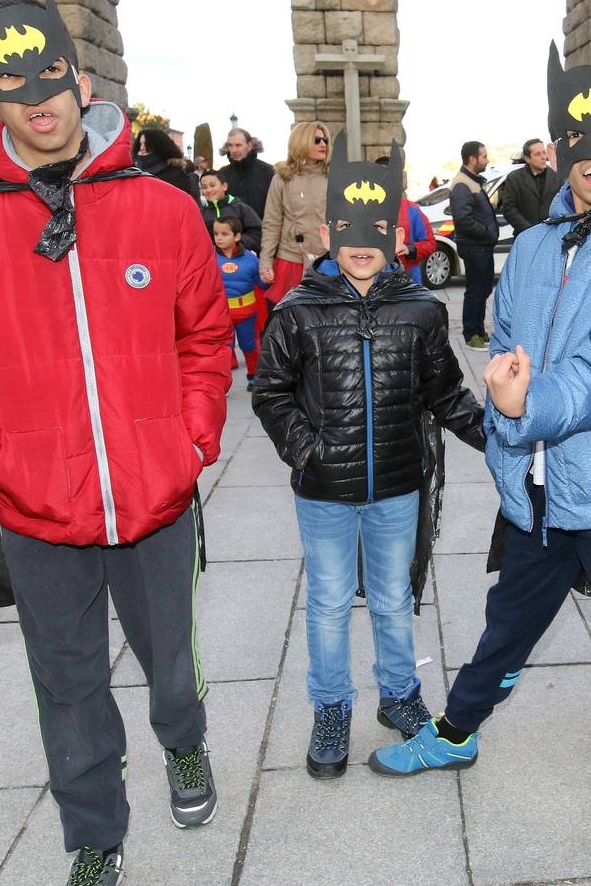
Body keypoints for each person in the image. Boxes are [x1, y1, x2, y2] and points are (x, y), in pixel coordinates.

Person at [0, 0, 232, 884]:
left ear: (81, 81)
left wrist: (191, 437)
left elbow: (203, 337)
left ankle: (184, 743)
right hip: (37, 507)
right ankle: (94, 833)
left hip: (156, 494)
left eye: (51, 75)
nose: (37, 98)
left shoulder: (161, 206)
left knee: (172, 663)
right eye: (11, 81)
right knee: (68, 683)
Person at [368, 36, 591, 840]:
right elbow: (505, 335)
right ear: (557, 144)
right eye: (576, 138)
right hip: (537, 490)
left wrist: (518, 405)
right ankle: (457, 732)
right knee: (507, 624)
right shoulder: (537, 244)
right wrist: (508, 405)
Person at [252, 136, 485, 779]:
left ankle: (400, 695)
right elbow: (269, 391)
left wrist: (498, 437)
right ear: (327, 232)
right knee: (327, 602)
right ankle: (331, 706)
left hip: (397, 485)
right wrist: (307, 449)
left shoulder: (419, 311)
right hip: (324, 488)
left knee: (390, 596)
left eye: (376, 228)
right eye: (350, 228)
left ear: (396, 234)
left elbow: (445, 393)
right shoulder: (298, 312)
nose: (362, 242)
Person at [259, 121, 329, 304]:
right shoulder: (282, 178)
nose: (323, 144)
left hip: (327, 259)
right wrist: (266, 261)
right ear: (302, 141)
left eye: (325, 140)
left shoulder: (335, 177)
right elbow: (272, 222)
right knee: (290, 322)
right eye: (317, 140)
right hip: (290, 259)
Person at [450, 139, 498, 349]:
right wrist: (487, 233)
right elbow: (463, 218)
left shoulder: (474, 181)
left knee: (483, 288)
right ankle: (471, 334)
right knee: (476, 290)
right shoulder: (462, 183)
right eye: (484, 156)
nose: (487, 160)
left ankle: (479, 330)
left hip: (482, 247)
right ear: (472, 159)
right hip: (474, 247)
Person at [213, 217, 262, 389]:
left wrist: (268, 276)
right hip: (221, 313)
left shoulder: (251, 259)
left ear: (237, 236)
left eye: (224, 234)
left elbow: (263, 284)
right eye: (216, 233)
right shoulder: (209, 258)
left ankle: (253, 376)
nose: (219, 238)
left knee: (249, 345)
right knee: (224, 347)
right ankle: (223, 381)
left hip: (246, 313)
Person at [375, 154, 436, 285]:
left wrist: (409, 249)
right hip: (374, 283)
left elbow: (430, 243)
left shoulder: (411, 210)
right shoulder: (360, 211)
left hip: (408, 282)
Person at [500, 137, 564, 235]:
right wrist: (529, 230)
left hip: (552, 235)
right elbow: (509, 208)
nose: (543, 157)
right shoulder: (514, 178)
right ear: (527, 158)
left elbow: (564, 205)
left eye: (544, 152)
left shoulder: (557, 176)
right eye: (538, 154)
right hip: (524, 235)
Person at [199, 169, 262, 252]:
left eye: (212, 185)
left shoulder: (240, 208)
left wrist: (237, 244)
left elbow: (256, 232)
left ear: (224, 186)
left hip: (239, 258)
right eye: (204, 187)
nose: (208, 190)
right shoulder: (200, 213)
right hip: (211, 260)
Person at [218, 127, 275, 218]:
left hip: (261, 229)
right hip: (231, 229)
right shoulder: (222, 174)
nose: (234, 150)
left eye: (238, 145)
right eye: (230, 145)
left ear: (249, 146)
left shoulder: (268, 172)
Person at [135, 127, 199, 201]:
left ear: (158, 145)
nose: (142, 148)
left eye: (147, 144)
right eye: (140, 144)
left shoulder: (174, 175)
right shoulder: (135, 172)